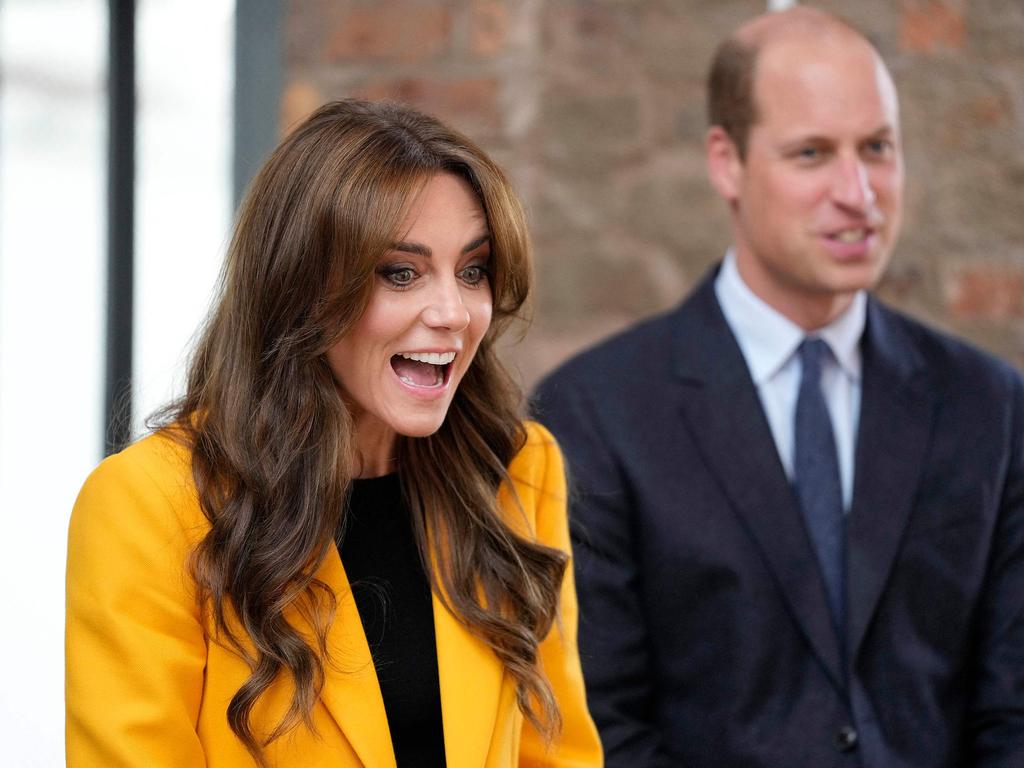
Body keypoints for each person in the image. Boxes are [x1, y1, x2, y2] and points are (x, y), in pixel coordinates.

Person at [533, 7, 1024, 767]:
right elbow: (602, 725)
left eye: (877, 148)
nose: (858, 192)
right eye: (812, 153)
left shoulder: (990, 407)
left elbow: (1012, 710)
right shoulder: (595, 414)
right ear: (726, 162)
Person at [66, 99, 602, 768]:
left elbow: (559, 754)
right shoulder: (148, 506)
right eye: (399, 273)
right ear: (302, 288)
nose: (453, 313)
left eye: (473, 271)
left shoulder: (517, 469)